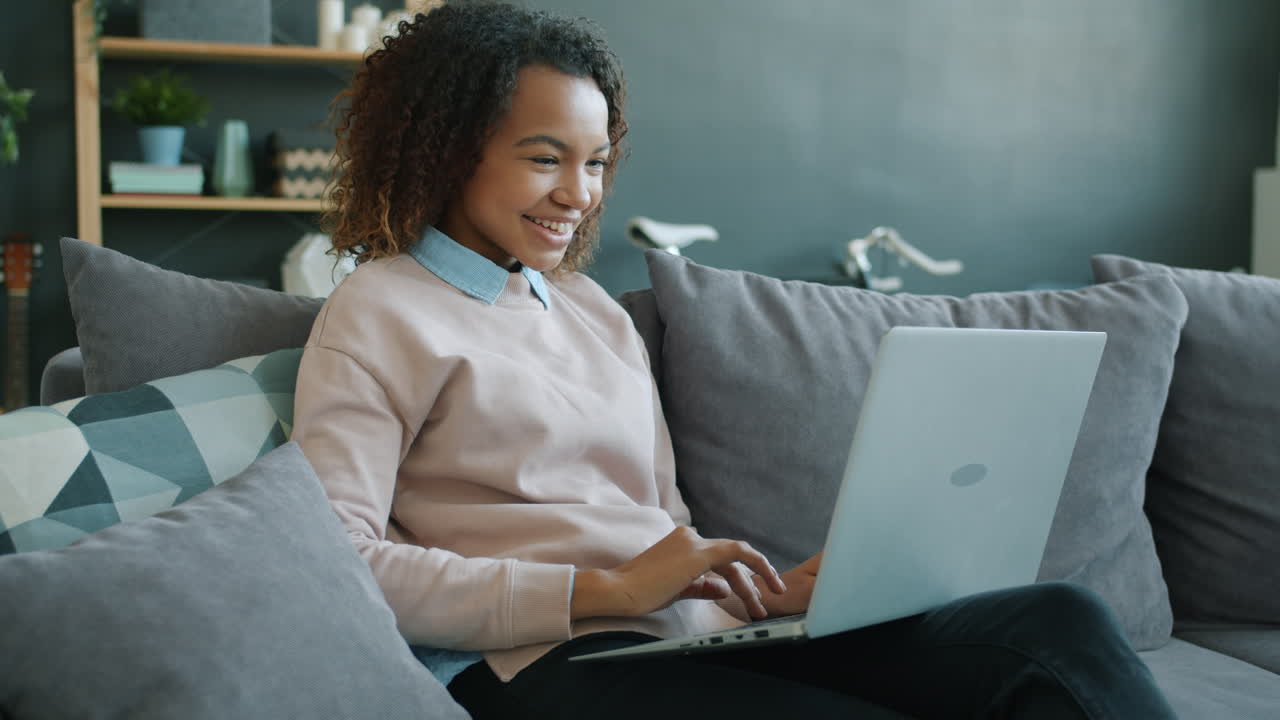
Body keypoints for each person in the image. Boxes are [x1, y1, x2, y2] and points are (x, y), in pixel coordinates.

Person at [292, 3, 1177, 718]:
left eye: (596, 162)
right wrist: (603, 588)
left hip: (676, 635)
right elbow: (339, 564)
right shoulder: (380, 311)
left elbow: (662, 523)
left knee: (1053, 622)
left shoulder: (594, 312)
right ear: (451, 152)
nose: (579, 193)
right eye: (544, 159)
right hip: (543, 662)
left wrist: (772, 603)